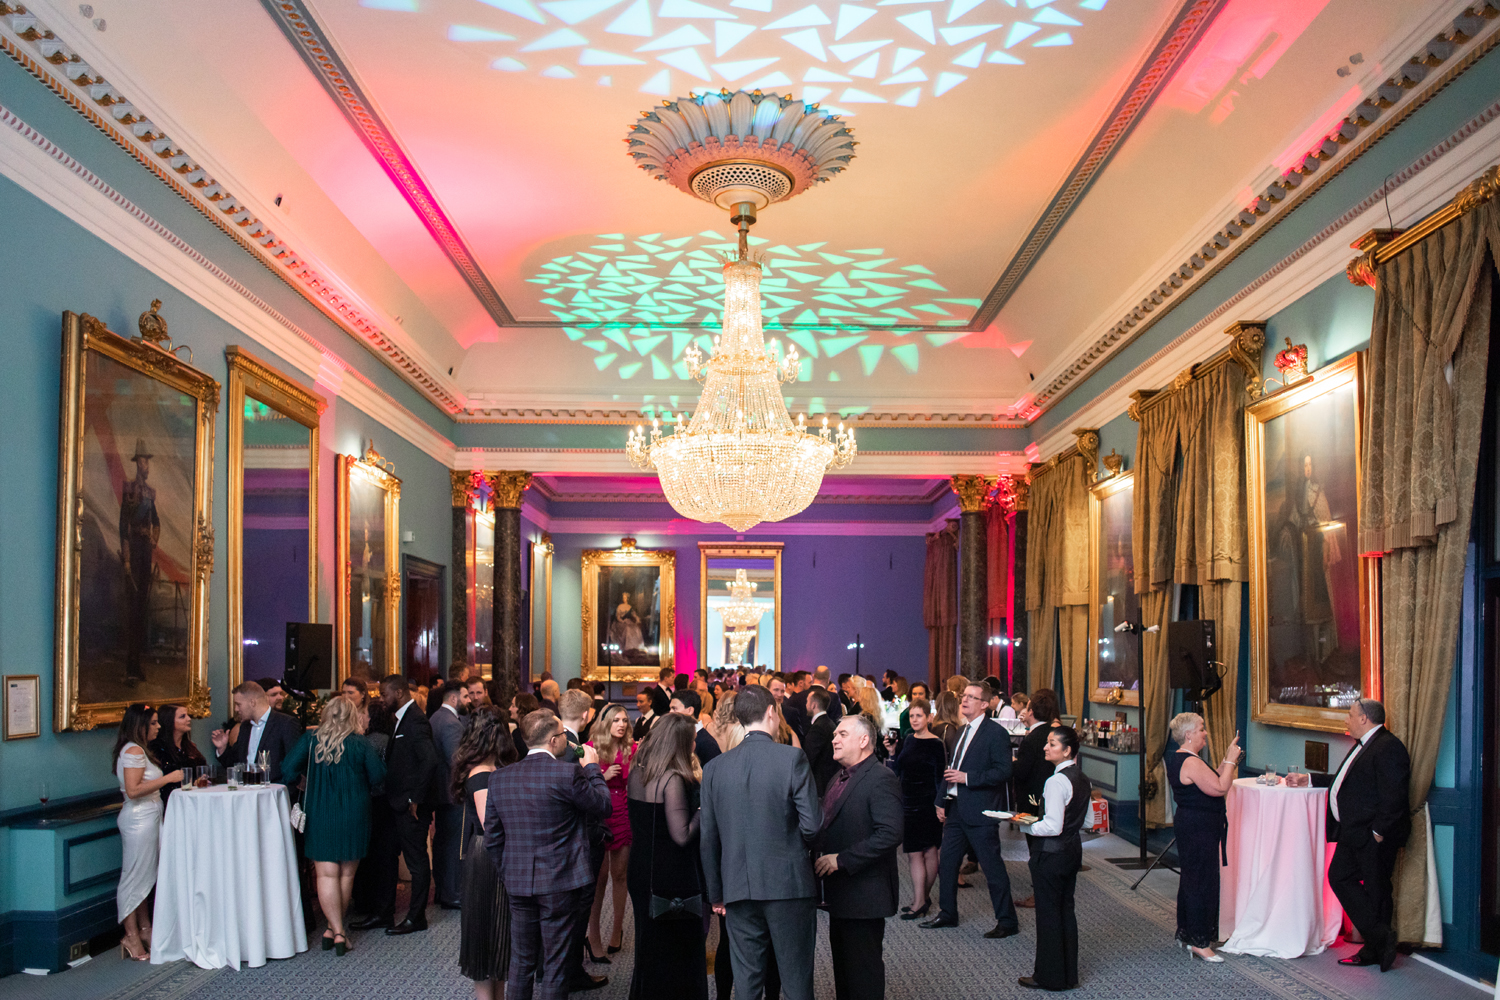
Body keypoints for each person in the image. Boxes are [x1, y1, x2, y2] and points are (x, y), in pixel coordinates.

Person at [701, 685, 821, 1000]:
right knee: (796, 983)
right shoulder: (792, 758)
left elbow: (708, 839)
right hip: (789, 887)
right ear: (771, 712)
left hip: (737, 887)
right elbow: (812, 826)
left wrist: (716, 894)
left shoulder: (714, 769)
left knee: (747, 984)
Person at [486, 710, 611, 1000]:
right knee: (556, 963)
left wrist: (508, 872)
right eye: (563, 734)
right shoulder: (568, 773)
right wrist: (593, 768)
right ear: (553, 740)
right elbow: (603, 806)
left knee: (521, 961)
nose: (567, 739)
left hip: (518, 882)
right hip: (560, 881)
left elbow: (493, 837)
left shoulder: (500, 778)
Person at [1286, 698, 1411, 971]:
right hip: (1353, 832)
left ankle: (1375, 949)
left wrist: (1378, 832)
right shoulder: (1363, 745)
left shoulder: (1389, 746)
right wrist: (1310, 779)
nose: (1346, 720)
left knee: (1377, 889)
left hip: (1371, 834)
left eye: (1350, 715)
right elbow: (1347, 780)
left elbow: (1395, 796)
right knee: (1341, 877)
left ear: (1364, 718)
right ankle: (1380, 939)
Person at [282, 696, 387, 955]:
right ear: (353, 715)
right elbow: (378, 776)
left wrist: (303, 781)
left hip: (320, 812)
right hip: (354, 813)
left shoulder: (311, 739)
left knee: (326, 875)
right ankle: (339, 932)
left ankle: (333, 929)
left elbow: (287, 768)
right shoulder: (360, 743)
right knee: (346, 875)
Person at [815, 715, 903, 1000]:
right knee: (845, 974)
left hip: (866, 896)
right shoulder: (839, 776)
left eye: (842, 734)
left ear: (864, 740)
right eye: (835, 735)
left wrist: (841, 859)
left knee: (863, 977)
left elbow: (890, 833)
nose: (834, 739)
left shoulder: (881, 778)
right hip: (842, 894)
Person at [920, 682, 1018, 937]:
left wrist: (968, 778)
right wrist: (941, 800)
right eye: (964, 696)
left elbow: (1004, 771)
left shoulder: (995, 733)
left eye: (971, 697)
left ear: (984, 704)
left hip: (981, 811)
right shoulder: (962, 730)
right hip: (955, 810)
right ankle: (948, 914)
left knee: (992, 868)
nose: (964, 700)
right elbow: (951, 768)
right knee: (947, 864)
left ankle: (1007, 921)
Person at [625, 713, 707, 999]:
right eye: (692, 740)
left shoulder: (637, 772)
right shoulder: (671, 779)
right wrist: (704, 809)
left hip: (640, 868)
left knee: (649, 947)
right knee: (678, 951)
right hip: (670, 876)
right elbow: (681, 835)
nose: (695, 745)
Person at [352, 674, 442, 935]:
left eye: (384, 694)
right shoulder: (401, 717)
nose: (381, 698)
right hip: (396, 803)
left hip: (410, 806)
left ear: (399, 693)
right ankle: (383, 913)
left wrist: (415, 799)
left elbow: (429, 761)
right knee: (385, 858)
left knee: (416, 862)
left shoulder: (416, 720)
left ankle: (416, 918)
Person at [452, 707, 521, 1000]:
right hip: (488, 856)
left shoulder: (492, 769)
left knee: (499, 937)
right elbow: (488, 823)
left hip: (493, 852)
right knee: (486, 934)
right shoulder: (481, 774)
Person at [1018, 727, 1091, 992]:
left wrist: (1024, 825)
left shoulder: (1056, 781)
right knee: (1065, 912)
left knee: (1048, 916)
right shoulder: (1082, 778)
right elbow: (1089, 821)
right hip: (1072, 853)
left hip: (1050, 855)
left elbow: (1052, 826)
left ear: (1067, 750)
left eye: (1052, 744)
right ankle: (1068, 975)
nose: (1045, 748)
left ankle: (1049, 977)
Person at [1165, 712, 1241, 962]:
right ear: (1188, 735)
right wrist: (1231, 761)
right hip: (1198, 826)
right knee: (1202, 880)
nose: (1205, 732)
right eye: (1201, 729)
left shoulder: (1185, 758)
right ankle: (1199, 941)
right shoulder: (1190, 761)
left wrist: (1227, 759)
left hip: (1193, 823)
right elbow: (1219, 787)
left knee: (1192, 878)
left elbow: (1212, 779)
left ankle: (1189, 933)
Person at [112, 703, 183, 960]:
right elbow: (133, 790)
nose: (158, 726)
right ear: (140, 725)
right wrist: (168, 779)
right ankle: (130, 935)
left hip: (150, 817)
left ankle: (145, 929)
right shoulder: (133, 750)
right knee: (133, 877)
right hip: (139, 820)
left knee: (145, 876)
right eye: (153, 723)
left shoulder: (139, 749)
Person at [557, 689, 610, 992]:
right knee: (578, 907)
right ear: (587, 715)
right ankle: (571, 971)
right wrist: (594, 771)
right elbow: (594, 803)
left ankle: (556, 967)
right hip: (580, 839)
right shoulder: (574, 750)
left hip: (562, 839)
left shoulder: (554, 743)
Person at [884, 697, 945, 919]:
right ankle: (922, 899)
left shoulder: (936, 743)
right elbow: (898, 771)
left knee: (928, 851)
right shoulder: (908, 739)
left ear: (928, 717)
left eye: (919, 715)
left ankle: (920, 901)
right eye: (911, 716)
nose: (915, 719)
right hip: (908, 802)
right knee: (914, 853)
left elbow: (941, 778)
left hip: (928, 804)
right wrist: (892, 752)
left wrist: (941, 805)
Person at [586, 705, 635, 963]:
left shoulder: (633, 748)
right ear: (606, 722)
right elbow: (579, 785)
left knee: (620, 874)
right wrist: (602, 777)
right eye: (616, 720)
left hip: (623, 811)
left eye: (625, 720)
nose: (621, 724)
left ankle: (617, 931)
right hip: (599, 812)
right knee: (599, 878)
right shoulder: (591, 748)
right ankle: (593, 936)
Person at [1011, 688, 1060, 909]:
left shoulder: (1032, 740)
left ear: (1031, 711)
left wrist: (1013, 763)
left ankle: (1040, 893)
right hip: (1050, 797)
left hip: (1032, 799)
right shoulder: (1054, 733)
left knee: (1035, 848)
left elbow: (1022, 772)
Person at [118, 441, 158, 686]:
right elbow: (123, 526)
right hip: (133, 550)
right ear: (137, 464)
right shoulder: (129, 489)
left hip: (145, 552)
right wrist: (127, 560)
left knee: (142, 610)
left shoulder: (151, 494)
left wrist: (154, 538)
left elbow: (157, 522)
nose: (146, 466)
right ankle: (130, 665)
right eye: (143, 461)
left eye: (147, 461)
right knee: (132, 610)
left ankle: (137, 663)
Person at [432, 679, 473, 910]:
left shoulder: (436, 717)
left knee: (443, 842)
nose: (469, 701)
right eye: (465, 696)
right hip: (454, 794)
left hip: (442, 792)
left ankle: (443, 890)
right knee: (456, 846)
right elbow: (457, 761)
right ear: (454, 698)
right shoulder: (450, 723)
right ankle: (454, 893)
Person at [211, 681, 303, 783]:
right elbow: (236, 764)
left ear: (252, 703)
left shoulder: (286, 723)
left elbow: (295, 763)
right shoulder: (245, 727)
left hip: (275, 789)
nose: (236, 709)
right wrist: (222, 748)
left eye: (238, 704)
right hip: (247, 789)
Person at [149, 703, 206, 804]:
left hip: (192, 801)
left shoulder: (189, 746)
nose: (189, 719)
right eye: (182, 716)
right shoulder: (156, 748)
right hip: (169, 803)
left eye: (188, 715)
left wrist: (199, 780)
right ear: (169, 721)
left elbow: (201, 769)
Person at [803, 687, 839, 794]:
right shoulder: (829, 723)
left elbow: (809, 757)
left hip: (820, 785)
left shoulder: (818, 728)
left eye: (807, 701)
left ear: (813, 705)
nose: (805, 704)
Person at [670, 689, 719, 767]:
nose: (670, 712)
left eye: (674, 708)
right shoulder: (679, 735)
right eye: (670, 708)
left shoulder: (707, 743)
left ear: (690, 710)